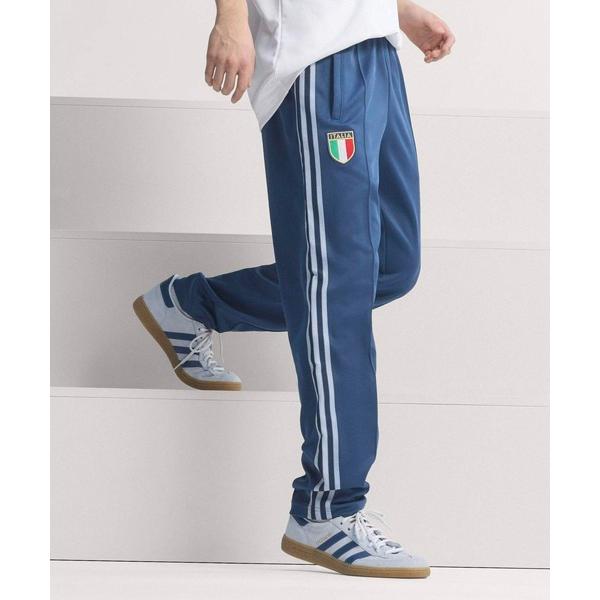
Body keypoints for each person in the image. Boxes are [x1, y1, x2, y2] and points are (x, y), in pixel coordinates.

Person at [133, 0, 454, 578]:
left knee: (391, 264)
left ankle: (190, 305)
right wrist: (231, 19)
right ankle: (327, 507)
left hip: (375, 48)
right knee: (337, 282)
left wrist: (399, 10)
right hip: (314, 55)